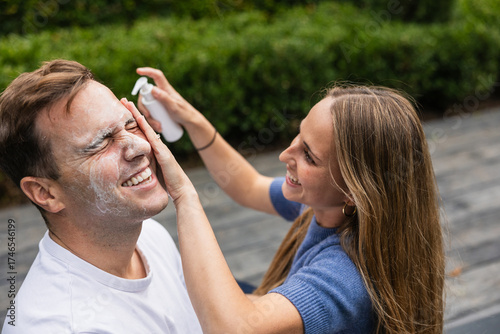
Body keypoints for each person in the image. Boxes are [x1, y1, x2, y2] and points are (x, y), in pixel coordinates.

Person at [129, 67, 446, 334]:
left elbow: (232, 327)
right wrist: (190, 119)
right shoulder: (326, 206)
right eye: (299, 136)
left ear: (354, 191)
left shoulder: (346, 277)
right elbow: (248, 186)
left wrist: (184, 195)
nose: (285, 155)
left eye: (308, 155)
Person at [0, 60, 202, 333]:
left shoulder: (150, 237)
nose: (140, 145)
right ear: (45, 193)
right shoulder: (57, 325)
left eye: (131, 125)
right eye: (101, 143)